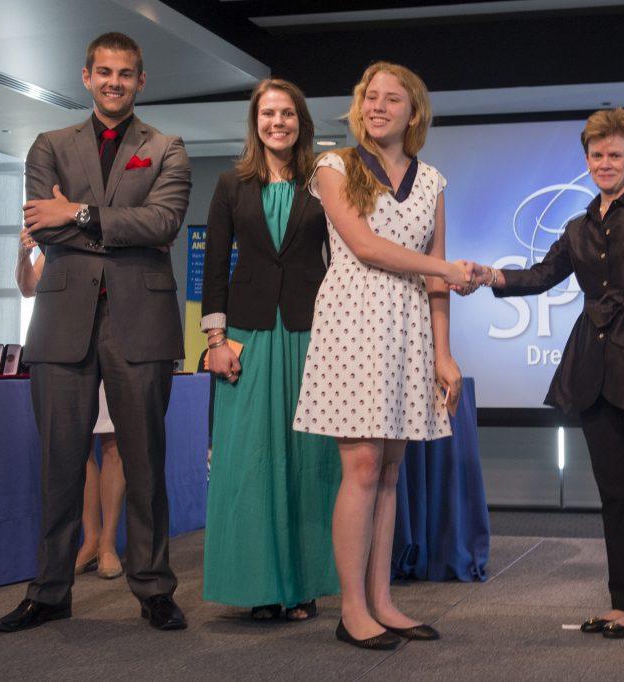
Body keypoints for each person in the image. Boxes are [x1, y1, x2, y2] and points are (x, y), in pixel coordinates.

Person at [467, 108, 624, 639]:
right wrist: (490, 275)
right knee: (614, 493)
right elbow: (541, 275)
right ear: (587, 160)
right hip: (593, 371)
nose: (605, 163)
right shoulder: (578, 227)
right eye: (597, 154)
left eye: (615, 154)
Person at [0, 32, 191, 633]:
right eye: (103, 72)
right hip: (61, 324)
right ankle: (49, 591)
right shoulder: (48, 145)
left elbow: (164, 222)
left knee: (146, 465)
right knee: (57, 465)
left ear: (141, 81)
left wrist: (74, 212)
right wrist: (115, 230)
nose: (114, 82)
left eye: (125, 73)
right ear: (85, 76)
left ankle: (154, 588)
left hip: (143, 323)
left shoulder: (167, 148)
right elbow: (41, 229)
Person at [292, 62, 472, 650]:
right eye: (370, 97)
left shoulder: (434, 180)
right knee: (363, 467)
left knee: (392, 471)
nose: (378, 107)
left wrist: (444, 356)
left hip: (409, 331)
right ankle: (351, 610)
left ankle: (383, 601)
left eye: (392, 99)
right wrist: (444, 268)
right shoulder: (334, 166)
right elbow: (366, 247)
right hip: (352, 323)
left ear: (413, 111)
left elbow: (437, 284)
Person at [200, 78, 341, 621]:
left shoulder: (326, 181)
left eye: (286, 113)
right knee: (249, 464)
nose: (276, 122)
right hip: (249, 337)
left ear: (301, 121)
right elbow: (215, 268)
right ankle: (259, 587)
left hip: (312, 336)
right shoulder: (230, 185)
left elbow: (339, 262)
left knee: (310, 461)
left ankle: (304, 584)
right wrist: (215, 341)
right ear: (255, 122)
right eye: (267, 114)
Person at [16, 229, 125, 580]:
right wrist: (23, 254)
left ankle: (108, 544)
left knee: (112, 443)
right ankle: (90, 539)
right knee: (78, 448)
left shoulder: (109, 227)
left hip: (114, 336)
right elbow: (28, 286)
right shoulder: (59, 238)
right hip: (69, 343)